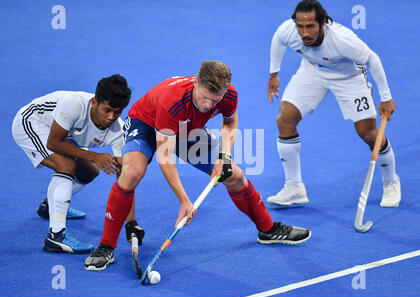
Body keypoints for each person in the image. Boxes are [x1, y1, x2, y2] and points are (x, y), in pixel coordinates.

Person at [84, 61, 311, 271]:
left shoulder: (229, 94)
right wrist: (184, 200)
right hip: (146, 124)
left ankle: (267, 229)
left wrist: (225, 156)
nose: (208, 105)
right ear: (196, 83)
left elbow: (230, 122)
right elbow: (165, 156)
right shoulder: (171, 100)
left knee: (235, 176)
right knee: (132, 172)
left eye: (215, 100)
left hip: (186, 130)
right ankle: (106, 245)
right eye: (204, 97)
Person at [266, 0, 400, 208]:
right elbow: (277, 38)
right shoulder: (289, 31)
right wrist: (274, 73)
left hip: (349, 78)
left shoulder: (342, 40)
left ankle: (391, 181)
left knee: (369, 134)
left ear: (323, 23)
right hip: (312, 72)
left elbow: (372, 59)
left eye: (310, 26)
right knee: (285, 120)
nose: (304, 32)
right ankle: (294, 188)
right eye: (300, 26)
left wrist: (386, 97)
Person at [12, 74, 136, 254]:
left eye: (117, 112)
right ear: (94, 102)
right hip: (31, 123)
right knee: (66, 165)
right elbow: (53, 143)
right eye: (107, 110)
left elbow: (125, 178)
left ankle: (50, 207)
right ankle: (56, 237)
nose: (111, 117)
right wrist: (94, 155)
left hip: (63, 135)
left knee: (90, 171)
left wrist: (131, 222)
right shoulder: (74, 105)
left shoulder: (118, 131)